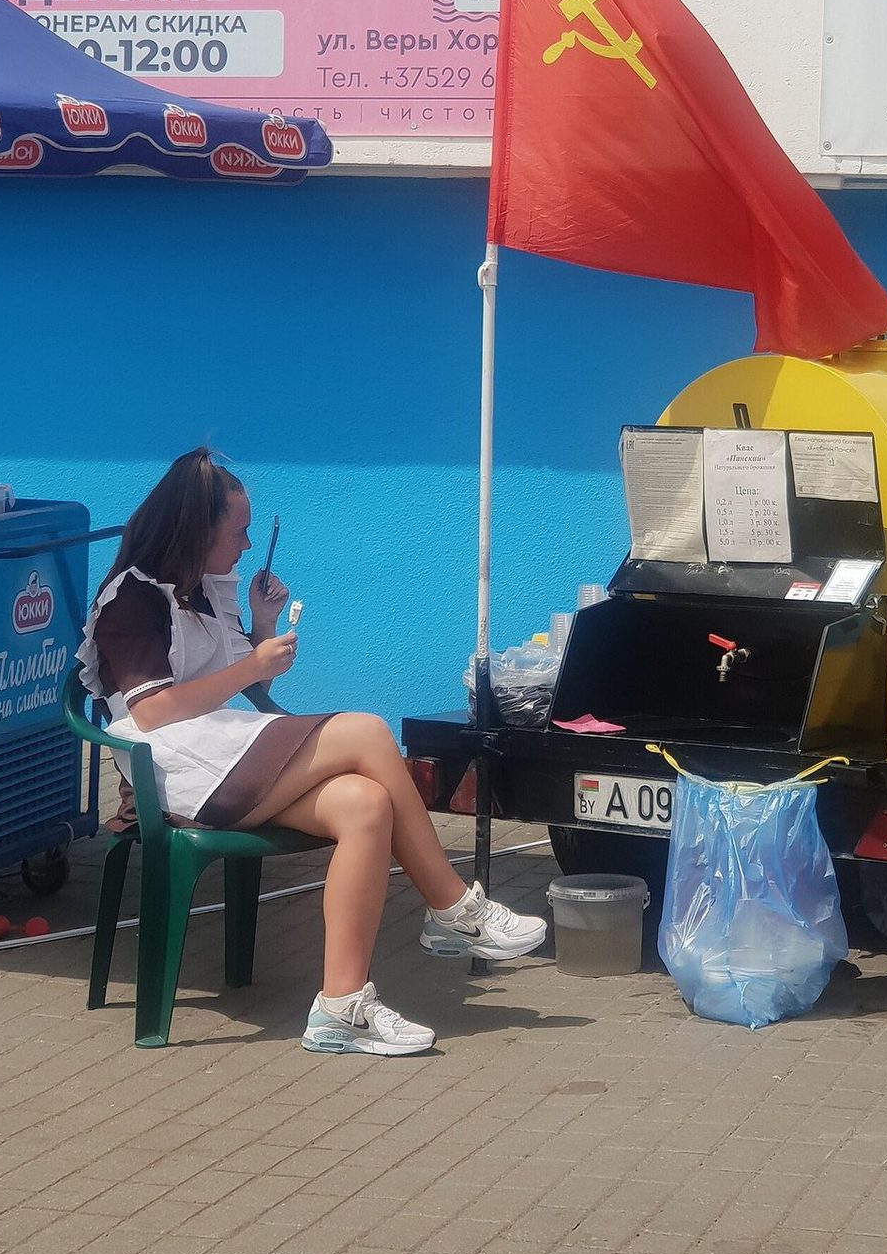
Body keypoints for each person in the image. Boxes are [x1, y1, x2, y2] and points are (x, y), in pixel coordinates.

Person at [78, 447, 546, 1056]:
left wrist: (260, 623)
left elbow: (252, 686)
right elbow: (154, 710)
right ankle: (453, 907)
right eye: (239, 531)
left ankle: (340, 1010)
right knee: (368, 732)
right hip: (174, 770)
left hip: (217, 751)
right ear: (198, 530)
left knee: (366, 805)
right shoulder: (131, 598)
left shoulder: (201, 589)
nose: (247, 546)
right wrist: (251, 660)